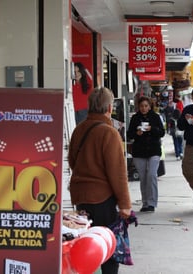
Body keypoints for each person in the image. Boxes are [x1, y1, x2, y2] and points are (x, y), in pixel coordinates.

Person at [68, 87, 132, 274]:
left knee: (87, 244)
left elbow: (73, 161)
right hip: (103, 199)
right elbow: (117, 173)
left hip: (80, 196)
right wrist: (125, 204)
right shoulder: (109, 133)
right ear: (109, 107)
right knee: (107, 248)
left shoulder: (79, 129)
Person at [127, 96, 165, 212]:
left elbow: (162, 132)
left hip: (153, 150)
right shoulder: (135, 118)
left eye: (146, 106)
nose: (143, 108)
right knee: (143, 178)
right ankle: (145, 203)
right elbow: (129, 134)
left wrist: (151, 129)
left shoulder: (155, 117)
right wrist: (137, 133)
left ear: (149, 106)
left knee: (152, 175)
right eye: (142, 106)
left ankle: (152, 202)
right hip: (139, 152)